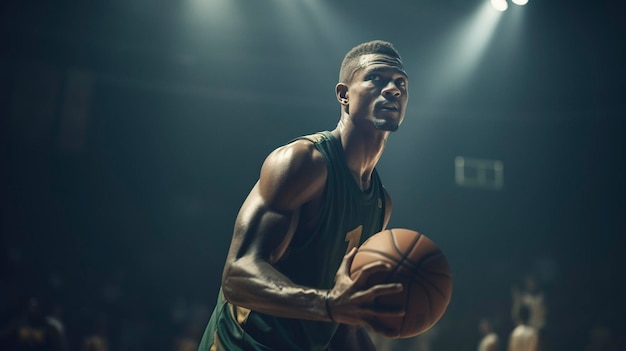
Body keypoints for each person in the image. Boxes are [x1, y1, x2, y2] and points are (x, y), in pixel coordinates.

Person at [198, 40, 410, 351]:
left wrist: (340, 309)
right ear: (343, 94)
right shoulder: (304, 163)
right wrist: (327, 305)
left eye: (400, 82)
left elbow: (343, 321)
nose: (392, 88)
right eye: (376, 78)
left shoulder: (380, 203)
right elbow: (237, 275)